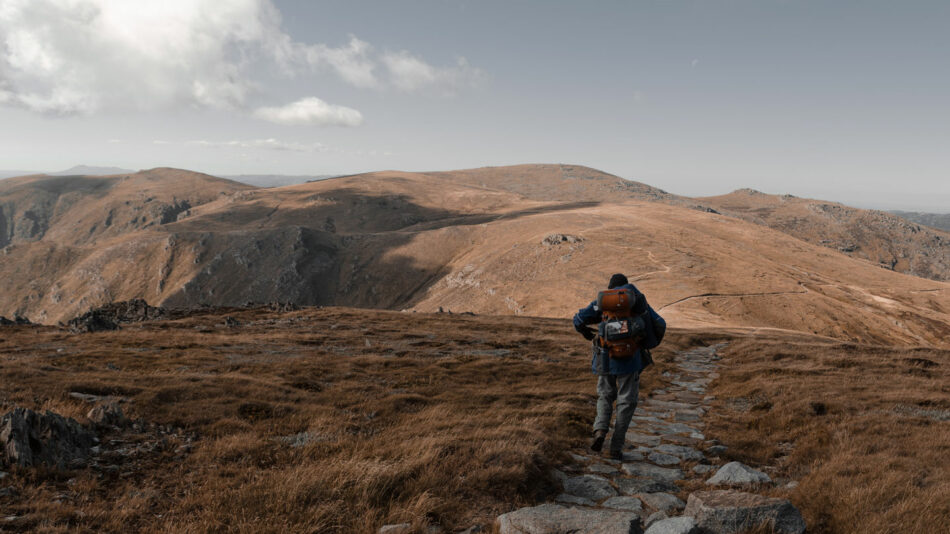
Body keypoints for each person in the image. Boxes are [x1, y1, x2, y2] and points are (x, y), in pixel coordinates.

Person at [573, 273, 666, 460]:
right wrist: (647, 342)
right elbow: (660, 324)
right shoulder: (638, 301)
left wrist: (584, 331)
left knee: (605, 395)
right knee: (627, 402)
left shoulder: (603, 301)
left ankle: (599, 431)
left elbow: (579, 319)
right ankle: (616, 446)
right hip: (631, 359)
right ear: (627, 285)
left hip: (606, 357)